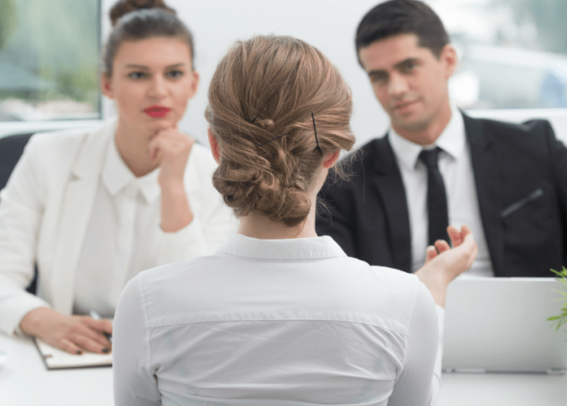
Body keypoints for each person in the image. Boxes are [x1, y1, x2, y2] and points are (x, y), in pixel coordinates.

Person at [113, 35, 478, 406]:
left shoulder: (147, 302)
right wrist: (431, 291)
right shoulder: (404, 302)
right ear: (333, 151)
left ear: (215, 145)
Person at [0, 0, 236, 355]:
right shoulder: (47, 156)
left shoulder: (217, 176)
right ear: (107, 83)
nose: (158, 90)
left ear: (192, 83)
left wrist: (173, 188)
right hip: (67, 357)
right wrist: (44, 319)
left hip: (167, 363)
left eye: (173, 74)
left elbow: (200, 304)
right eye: (138, 74)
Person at [317, 0, 567, 277]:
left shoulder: (534, 148)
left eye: (409, 66)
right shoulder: (343, 185)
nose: (396, 88)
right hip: (403, 317)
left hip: (527, 319)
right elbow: (337, 290)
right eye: (378, 77)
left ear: (448, 60)